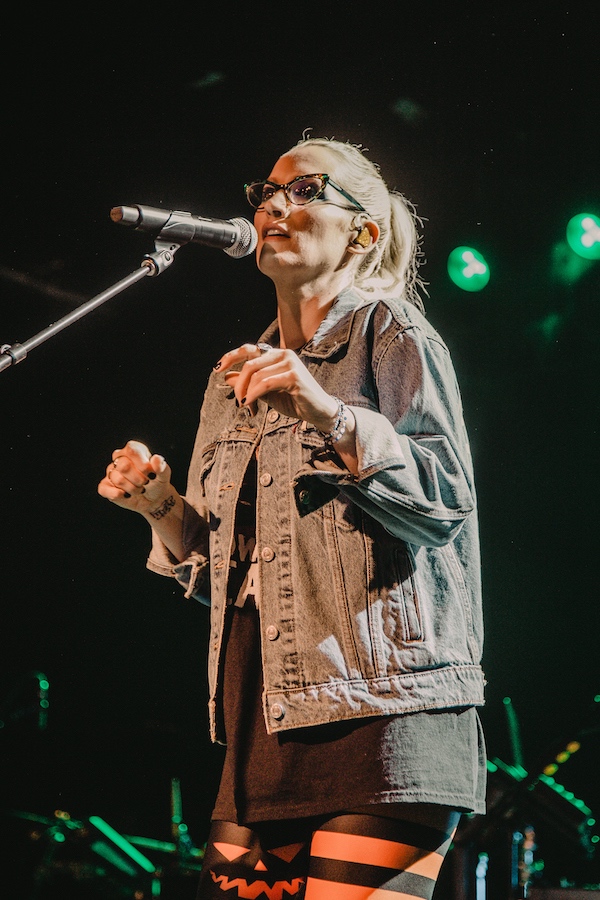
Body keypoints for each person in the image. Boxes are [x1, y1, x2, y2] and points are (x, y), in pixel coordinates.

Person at [98, 136, 486, 899]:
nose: (274, 204)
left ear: (363, 232)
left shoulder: (391, 332)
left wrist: (325, 411)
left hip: (383, 718)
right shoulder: (235, 376)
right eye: (266, 191)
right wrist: (160, 506)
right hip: (265, 725)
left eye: (306, 190)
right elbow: (228, 574)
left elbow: (445, 501)